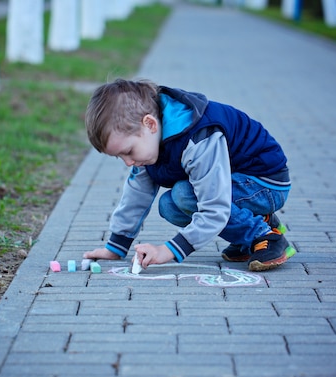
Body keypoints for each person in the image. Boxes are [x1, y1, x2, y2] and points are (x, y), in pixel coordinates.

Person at [82, 78, 295, 272]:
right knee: (169, 206)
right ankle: (251, 231)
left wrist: (169, 250)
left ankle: (266, 235)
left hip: (265, 184)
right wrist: (116, 246)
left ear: (150, 124)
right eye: (119, 157)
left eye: (128, 152)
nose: (128, 162)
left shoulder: (198, 137)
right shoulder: (146, 145)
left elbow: (213, 207)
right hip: (234, 183)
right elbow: (136, 194)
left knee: (184, 195)